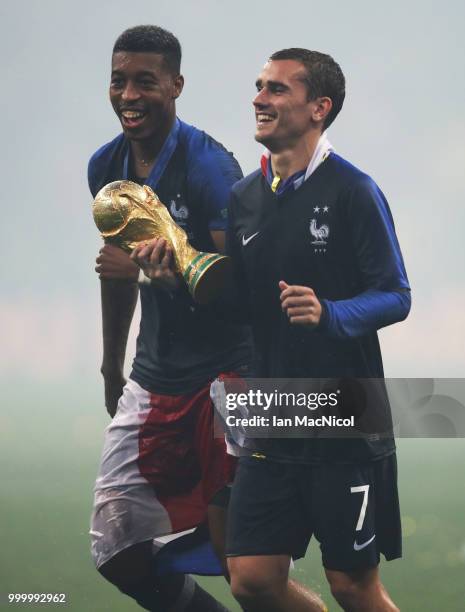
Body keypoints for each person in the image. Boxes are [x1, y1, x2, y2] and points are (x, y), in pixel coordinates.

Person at [222, 49, 411, 611]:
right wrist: (171, 273)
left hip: (344, 414)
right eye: (259, 86)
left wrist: (331, 313)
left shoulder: (355, 190)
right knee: (252, 579)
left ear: (319, 108)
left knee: (353, 584)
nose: (259, 99)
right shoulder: (244, 199)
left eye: (277, 89)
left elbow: (396, 294)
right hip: (271, 409)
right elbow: (240, 304)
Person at [88, 25, 251, 611]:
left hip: (227, 380)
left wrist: (167, 273)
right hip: (154, 380)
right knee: (117, 549)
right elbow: (116, 274)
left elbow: (237, 293)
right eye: (117, 80)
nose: (128, 94)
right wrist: (112, 368)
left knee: (248, 576)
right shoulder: (106, 169)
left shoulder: (212, 170)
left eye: (144, 82)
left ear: (176, 85)